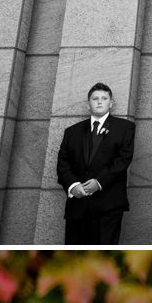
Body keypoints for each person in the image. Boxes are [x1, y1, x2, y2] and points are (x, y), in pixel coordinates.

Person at [57, 82, 134, 240]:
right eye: (95, 98)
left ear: (110, 103)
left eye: (104, 98)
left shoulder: (125, 128)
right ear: (88, 105)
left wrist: (98, 182)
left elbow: (123, 160)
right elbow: (63, 163)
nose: (99, 101)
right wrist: (73, 186)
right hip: (77, 206)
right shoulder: (72, 132)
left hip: (109, 206)